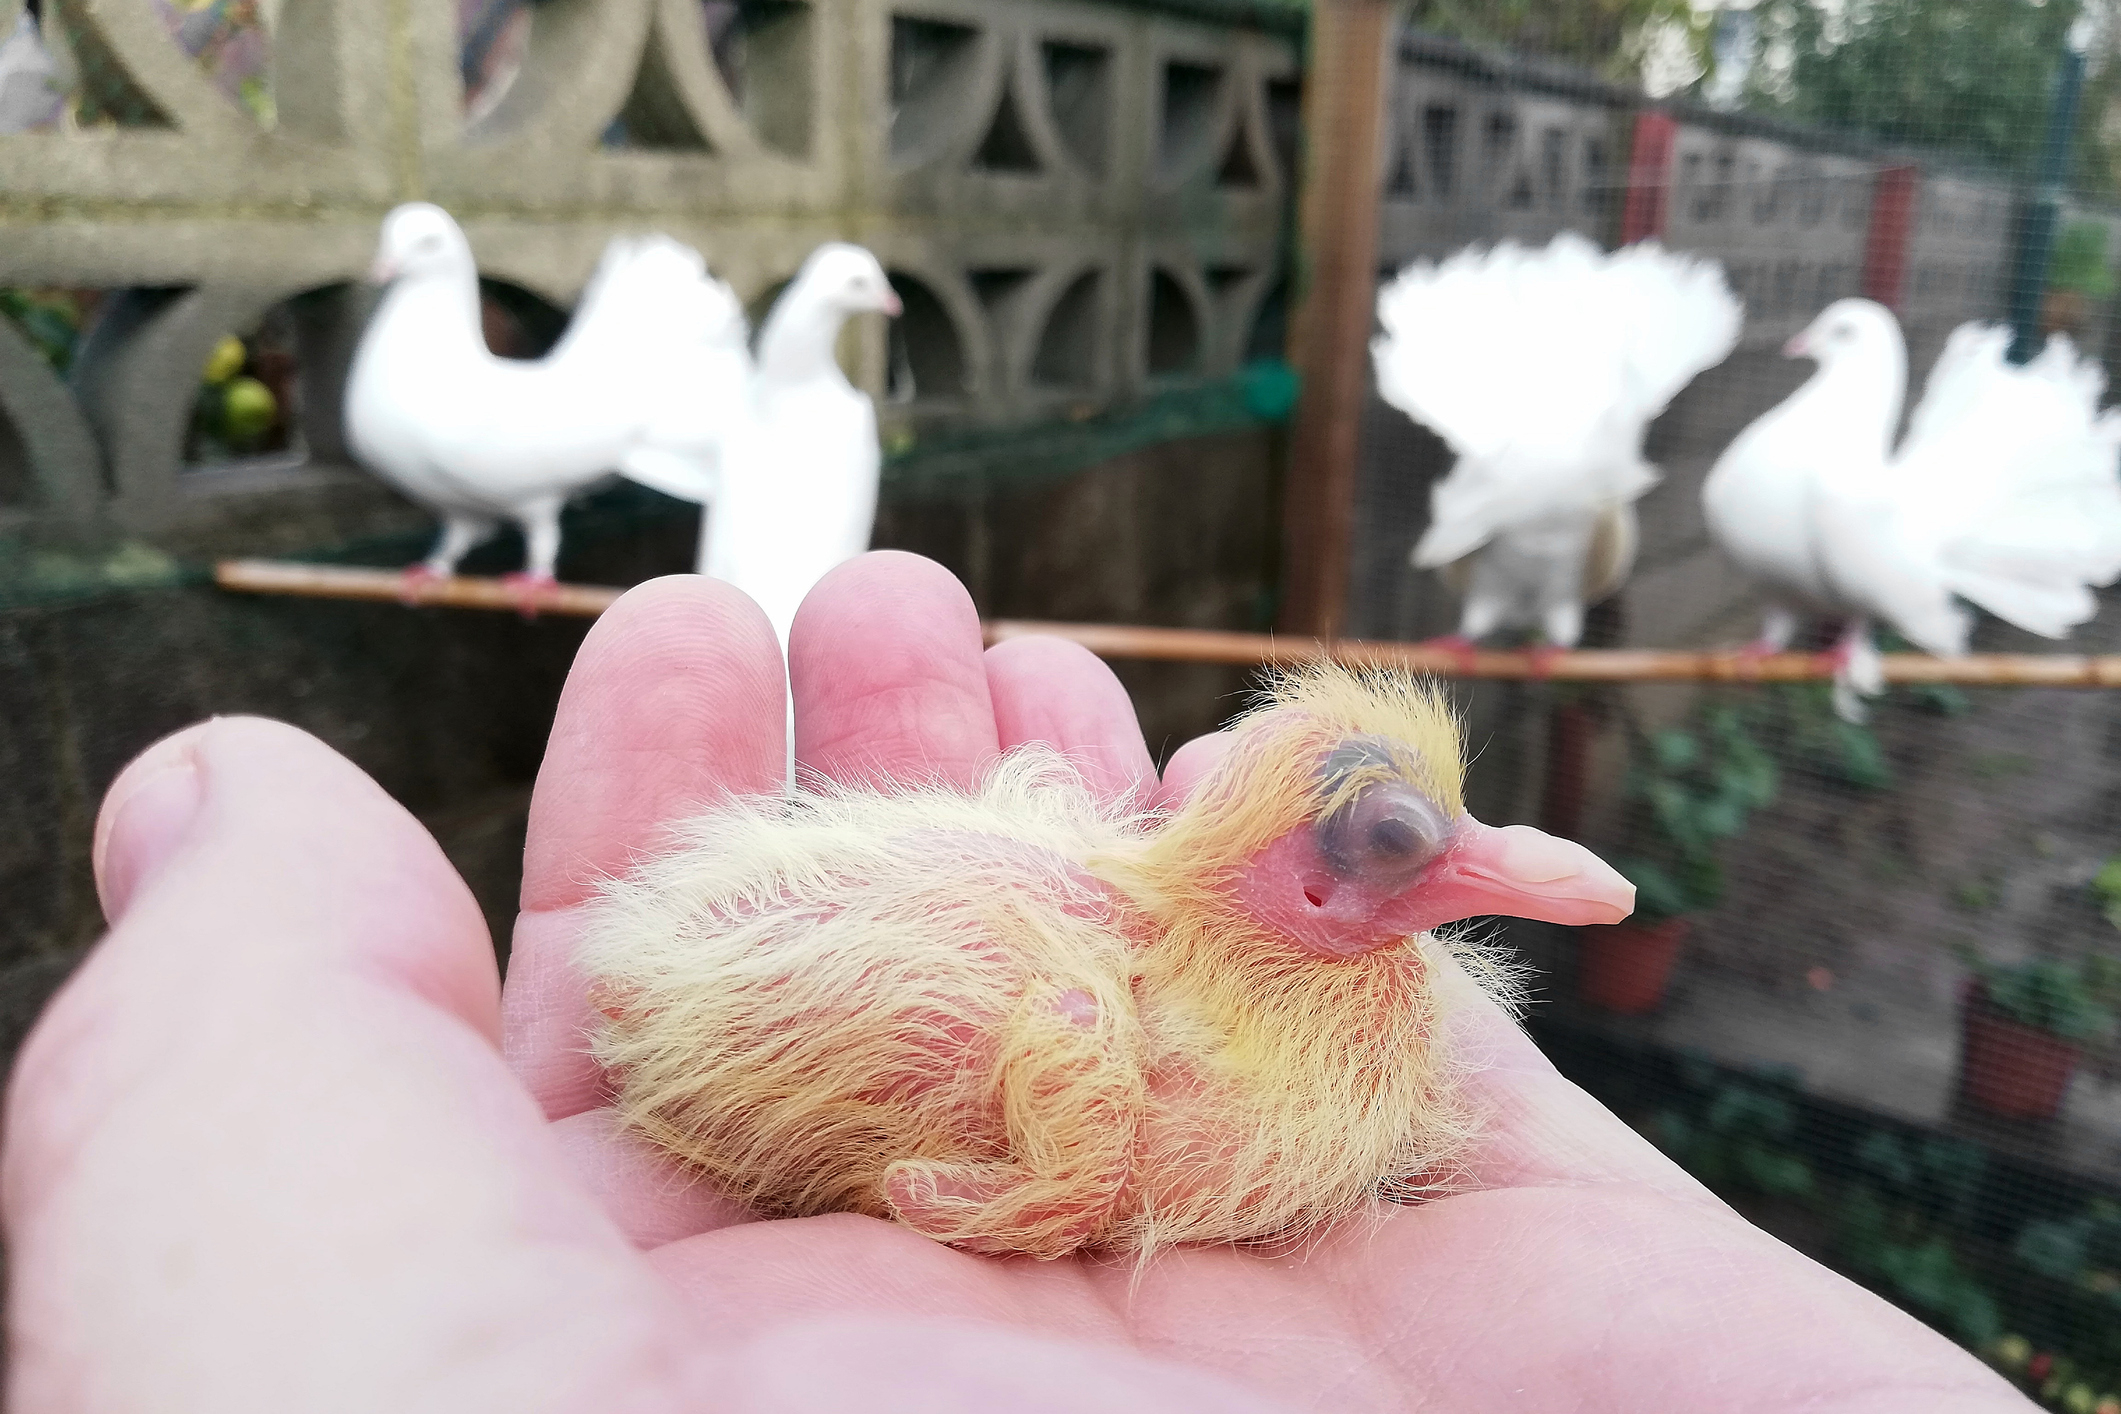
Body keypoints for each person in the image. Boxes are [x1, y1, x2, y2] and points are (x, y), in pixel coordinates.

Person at [3, 552, 2031, 1411]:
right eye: (1386, 858)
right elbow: (1077, 1067)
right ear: (1274, 867)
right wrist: (1028, 1175)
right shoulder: (1134, 997)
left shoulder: (1186, 937)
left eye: (1424, 843)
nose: (1468, 882)